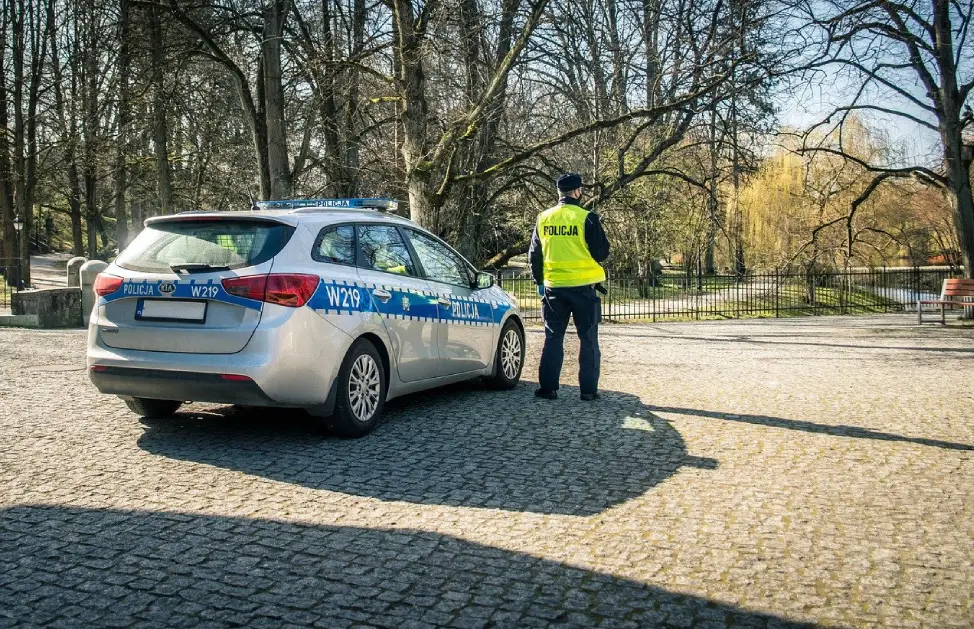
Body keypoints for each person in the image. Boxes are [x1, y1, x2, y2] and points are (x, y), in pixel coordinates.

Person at [528, 173, 610, 401]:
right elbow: (601, 253)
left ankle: (548, 388)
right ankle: (588, 391)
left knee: (553, 336)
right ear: (577, 191)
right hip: (584, 288)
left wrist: (540, 282)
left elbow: (534, 254)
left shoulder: (543, 218)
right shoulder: (588, 218)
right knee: (588, 338)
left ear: (559, 193)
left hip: (554, 288)